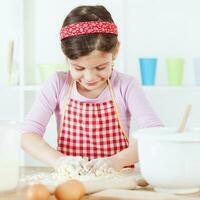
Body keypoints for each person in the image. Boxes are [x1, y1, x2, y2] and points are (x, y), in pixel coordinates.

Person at [21, 5, 163, 172]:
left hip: (118, 180)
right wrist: (59, 161)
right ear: (66, 57)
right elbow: (27, 136)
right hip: (72, 182)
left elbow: (155, 135)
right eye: (79, 68)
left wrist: (117, 161)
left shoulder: (126, 86)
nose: (90, 78)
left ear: (116, 51)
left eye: (101, 67)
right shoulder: (57, 84)